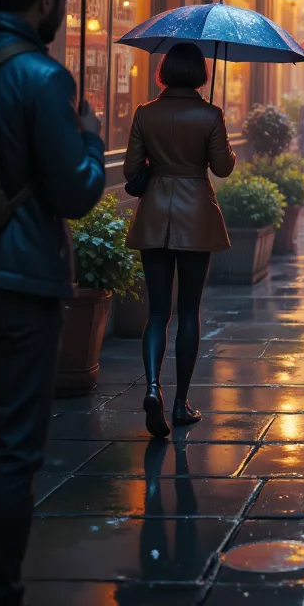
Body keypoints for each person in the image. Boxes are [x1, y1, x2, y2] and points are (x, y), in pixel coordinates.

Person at [0, 0, 106, 606]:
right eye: (64, 4)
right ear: (46, 2)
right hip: (22, 284)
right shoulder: (43, 78)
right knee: (13, 447)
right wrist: (91, 137)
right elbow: (75, 191)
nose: (65, 16)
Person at [124, 41, 235, 439]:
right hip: (196, 217)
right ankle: (180, 402)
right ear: (201, 74)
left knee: (157, 312)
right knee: (189, 312)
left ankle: (153, 386)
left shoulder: (145, 113)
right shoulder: (210, 114)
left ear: (165, 71)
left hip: (155, 214)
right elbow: (221, 168)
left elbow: (130, 169)